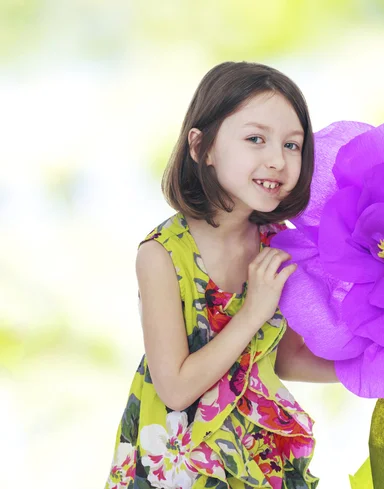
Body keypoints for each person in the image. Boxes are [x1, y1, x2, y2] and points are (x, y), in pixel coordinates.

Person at [105, 61, 338, 489]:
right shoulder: (161, 255)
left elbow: (279, 357)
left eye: (292, 145)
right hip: (181, 462)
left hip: (257, 452)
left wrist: (378, 369)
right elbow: (175, 388)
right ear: (202, 147)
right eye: (255, 139)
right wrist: (252, 312)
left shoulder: (279, 243)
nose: (277, 160)